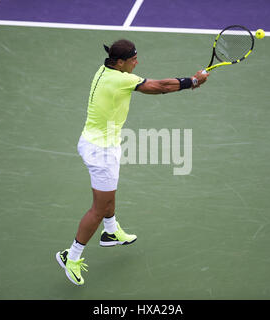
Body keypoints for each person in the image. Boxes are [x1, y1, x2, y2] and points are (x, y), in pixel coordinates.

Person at [56, 39, 209, 286]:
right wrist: (192, 81)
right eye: (132, 59)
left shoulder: (105, 70)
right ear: (119, 62)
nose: (137, 62)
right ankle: (71, 257)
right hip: (100, 151)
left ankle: (111, 230)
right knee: (98, 208)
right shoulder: (120, 80)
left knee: (108, 196)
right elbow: (159, 86)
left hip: (102, 145)